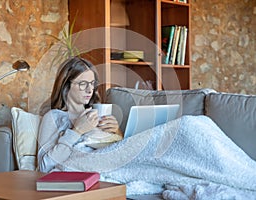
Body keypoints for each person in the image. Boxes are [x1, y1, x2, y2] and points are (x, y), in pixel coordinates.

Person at [38, 56, 256, 198]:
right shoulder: (55, 117)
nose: (89, 89)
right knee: (188, 126)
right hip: (100, 164)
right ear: (66, 86)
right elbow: (45, 165)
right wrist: (77, 130)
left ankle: (247, 175)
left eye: (92, 83)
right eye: (82, 84)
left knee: (196, 126)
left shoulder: (97, 110)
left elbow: (119, 148)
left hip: (120, 155)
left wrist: (117, 132)